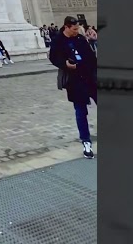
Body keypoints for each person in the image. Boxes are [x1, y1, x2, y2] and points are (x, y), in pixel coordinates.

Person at [50, 15, 98, 159]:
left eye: (78, 28)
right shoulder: (58, 40)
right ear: (66, 27)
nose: (77, 31)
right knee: (81, 111)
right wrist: (65, 64)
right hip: (75, 80)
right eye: (74, 29)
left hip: (90, 77)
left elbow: (91, 57)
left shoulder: (80, 38)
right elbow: (53, 57)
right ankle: (86, 142)